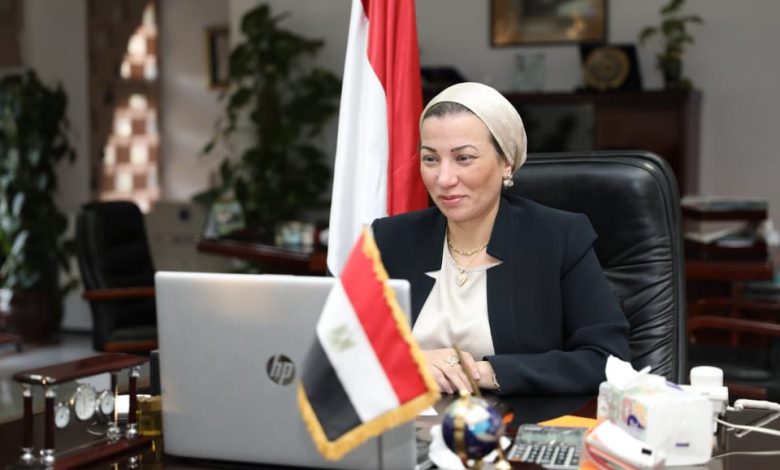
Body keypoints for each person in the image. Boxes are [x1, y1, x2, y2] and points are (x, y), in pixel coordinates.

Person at [371, 82, 630, 396]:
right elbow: (338, 346)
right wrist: (407, 359)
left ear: (506, 162)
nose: (444, 178)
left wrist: (481, 373)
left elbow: (607, 358)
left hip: (517, 421)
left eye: (464, 158)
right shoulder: (389, 238)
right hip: (406, 421)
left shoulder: (558, 238)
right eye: (430, 159)